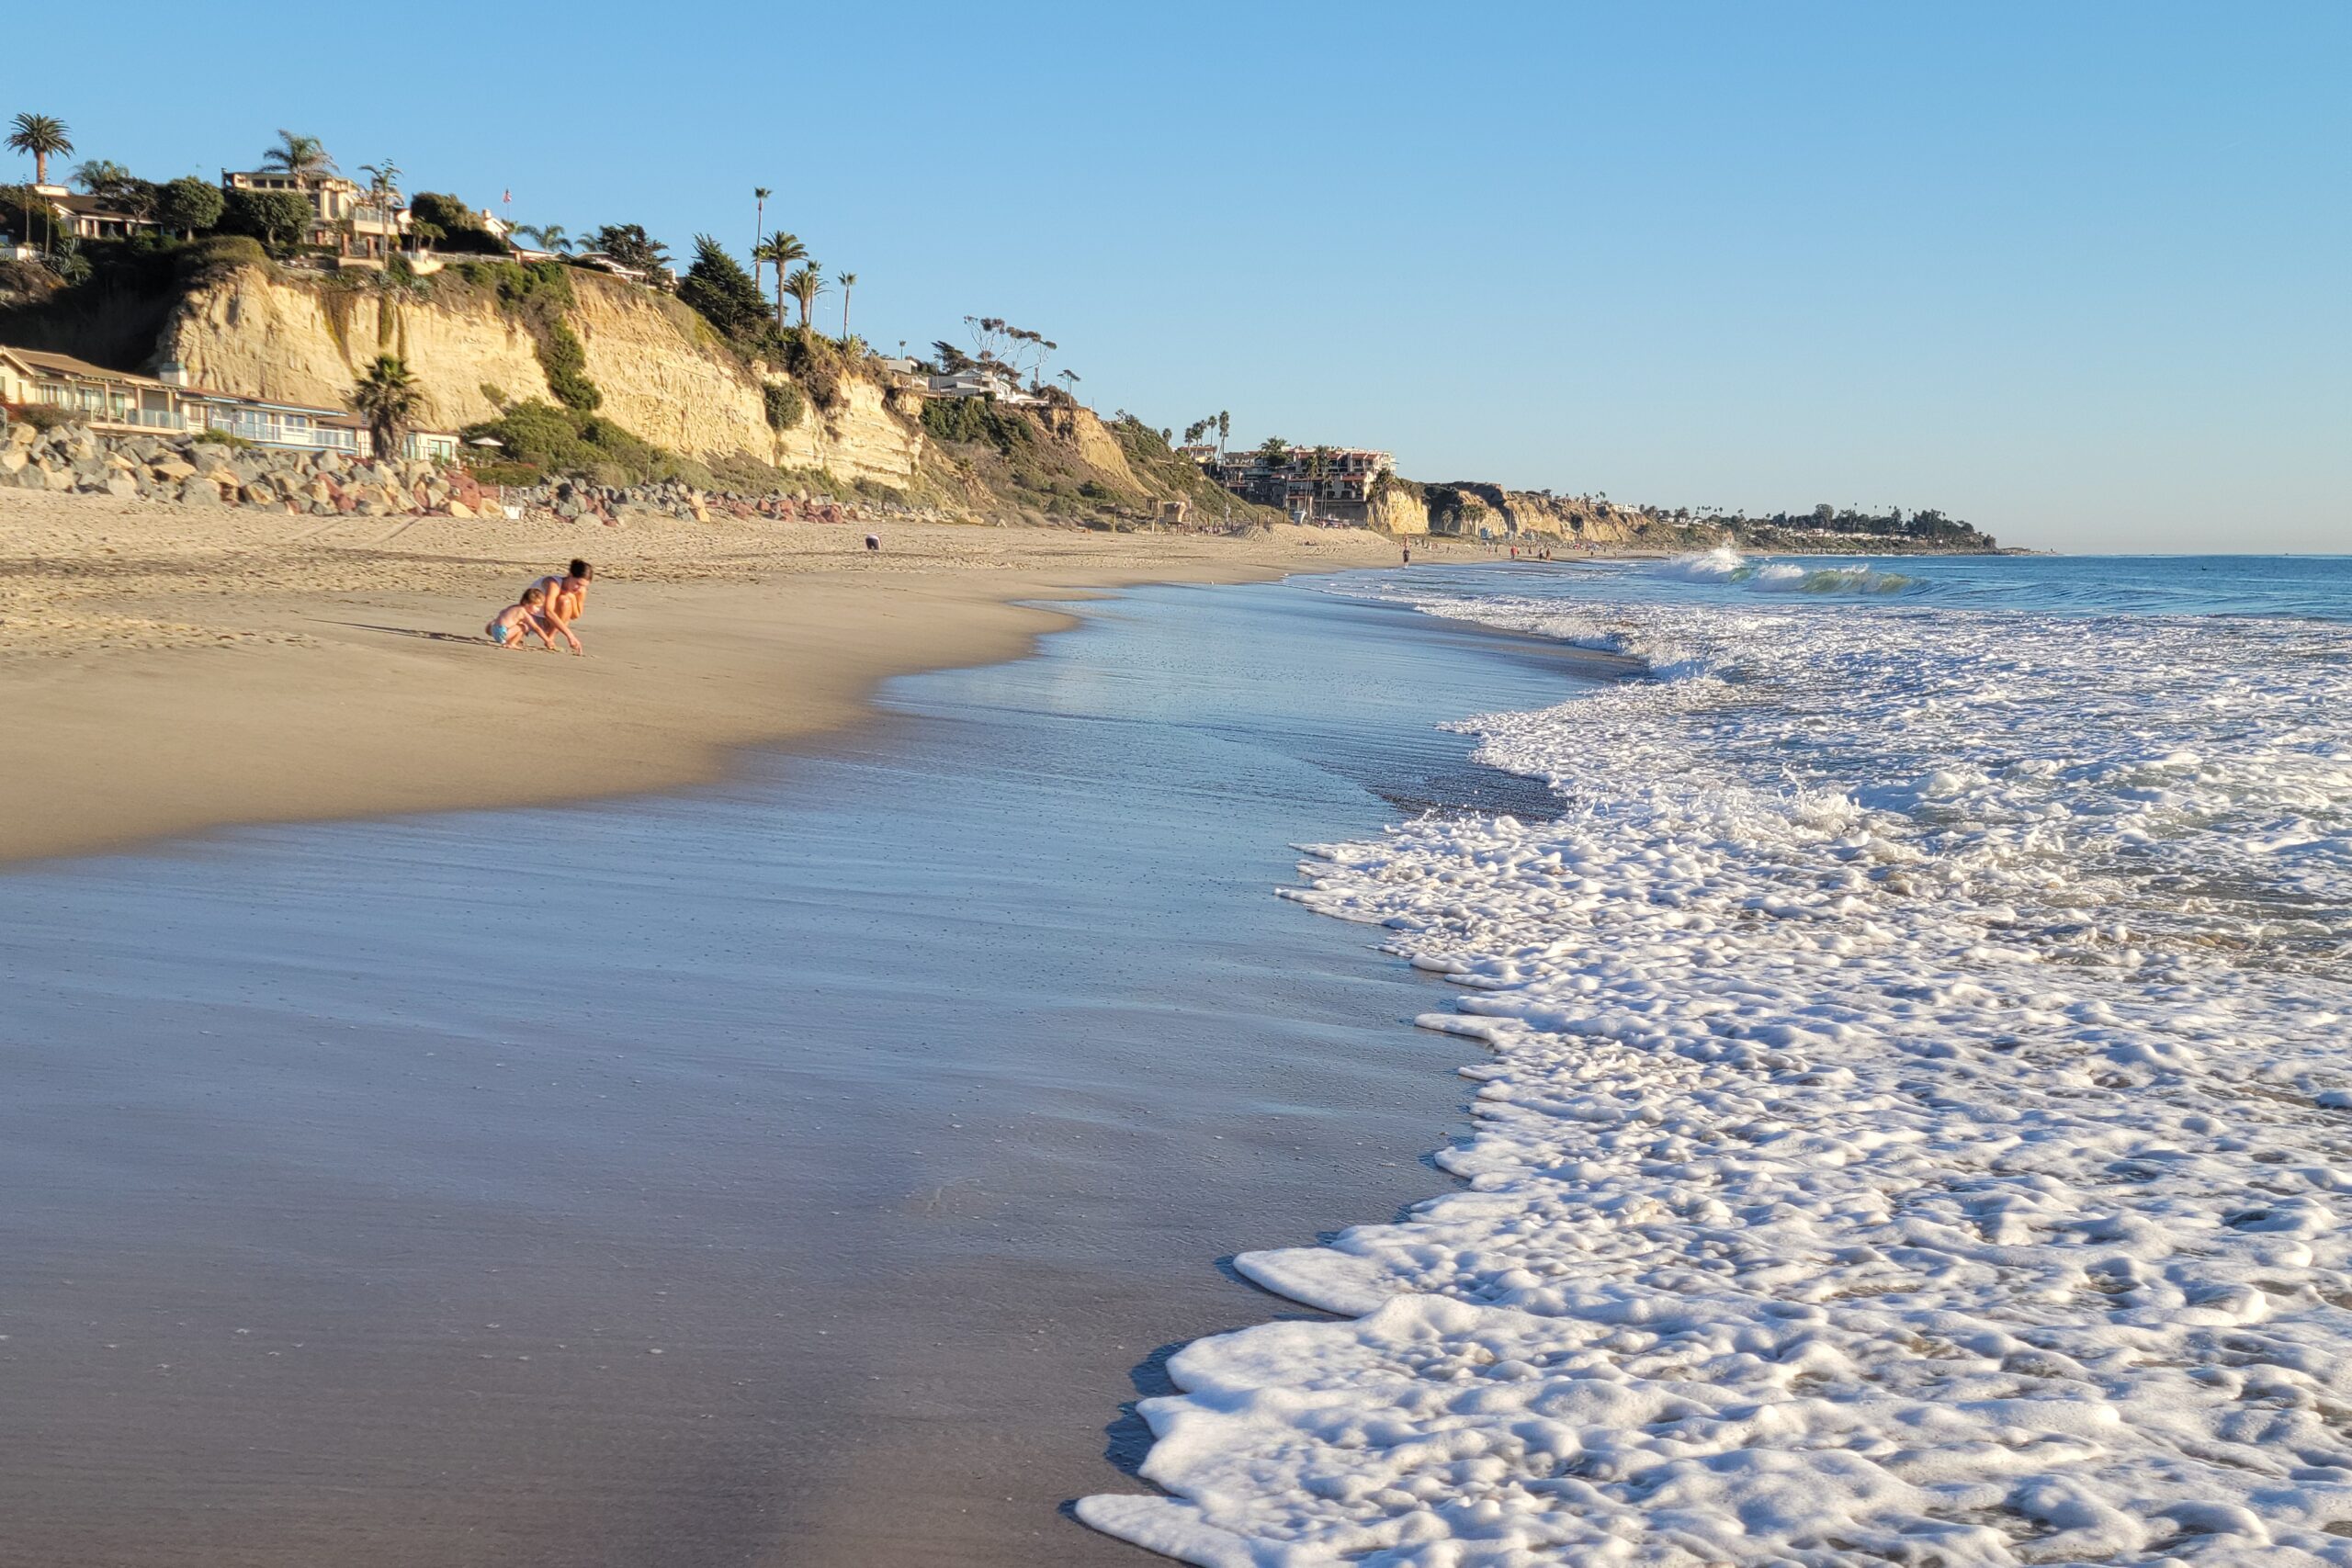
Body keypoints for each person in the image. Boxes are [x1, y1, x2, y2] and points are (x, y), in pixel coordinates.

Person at [526, 559, 590, 655]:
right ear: (570, 575)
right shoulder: (554, 583)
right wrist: (570, 636)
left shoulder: (580, 591)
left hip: (547, 623)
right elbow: (548, 612)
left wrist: (572, 597)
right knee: (564, 600)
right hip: (530, 616)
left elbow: (574, 616)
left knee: (565, 600)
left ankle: (550, 639)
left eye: (583, 586)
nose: (579, 588)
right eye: (578, 583)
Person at [486, 585, 560, 650]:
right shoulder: (523, 612)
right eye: (537, 607)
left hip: (495, 629)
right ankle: (512, 643)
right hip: (502, 634)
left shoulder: (514, 607)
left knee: (518, 623)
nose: (538, 610)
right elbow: (536, 628)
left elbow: (502, 613)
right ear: (526, 603)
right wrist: (547, 640)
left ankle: (508, 640)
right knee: (523, 627)